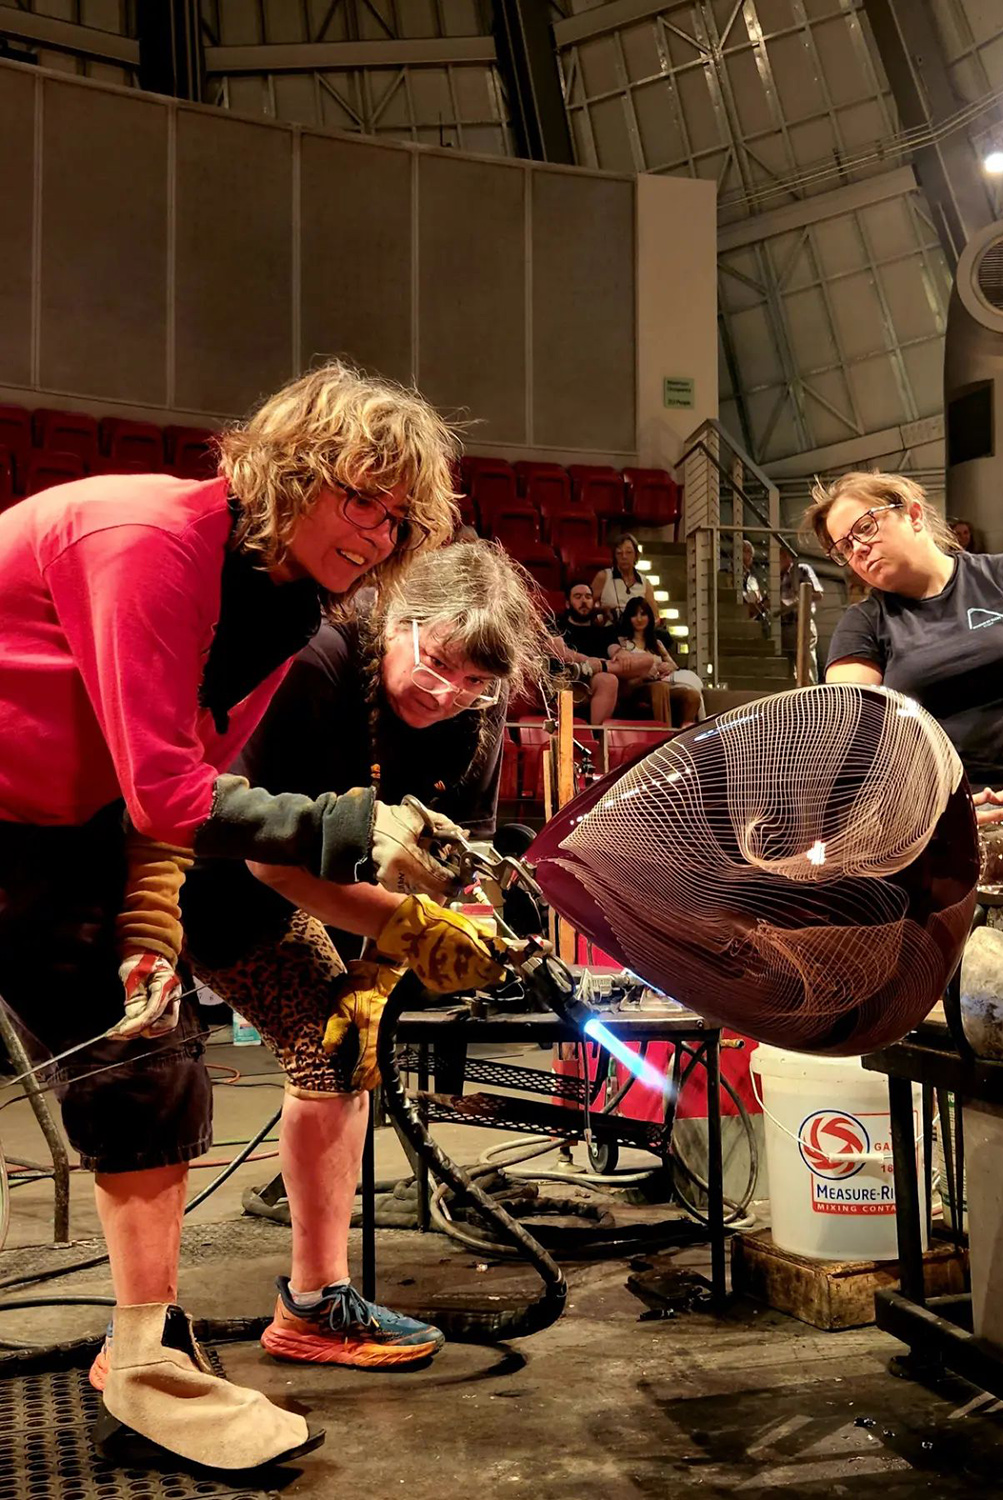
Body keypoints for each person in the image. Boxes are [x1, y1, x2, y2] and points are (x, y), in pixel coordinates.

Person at [0, 361, 497, 1469]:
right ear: (290, 470)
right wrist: (360, 834)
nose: (376, 533)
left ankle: (314, 1303)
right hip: (22, 813)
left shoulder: (286, 599)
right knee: (141, 1062)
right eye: (358, 498)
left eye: (397, 516)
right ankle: (143, 1356)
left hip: (116, 812)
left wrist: (160, 914)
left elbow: (184, 793)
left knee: (315, 1022)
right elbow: (182, 794)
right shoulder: (150, 544)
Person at [168, 542, 544, 1373]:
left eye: (475, 683)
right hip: (209, 877)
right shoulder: (319, 664)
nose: (447, 694)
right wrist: (405, 932)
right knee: (160, 1083)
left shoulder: (476, 717)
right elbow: (261, 852)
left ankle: (313, 1302)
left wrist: (389, 965)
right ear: (400, 622)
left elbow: (456, 867)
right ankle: (191, 1322)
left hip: (347, 898)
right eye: (437, 663)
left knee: (341, 1055)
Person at [808, 471, 1003, 841]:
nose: (857, 550)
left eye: (864, 528)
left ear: (912, 515)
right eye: (844, 548)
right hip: (926, 825)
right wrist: (916, 811)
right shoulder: (861, 623)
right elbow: (857, 728)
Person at [552, 579, 654, 723]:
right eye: (578, 597)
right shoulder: (557, 624)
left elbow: (614, 650)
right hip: (569, 676)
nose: (584, 601)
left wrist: (620, 653)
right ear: (568, 603)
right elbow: (561, 652)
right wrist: (587, 661)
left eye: (588, 597)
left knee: (647, 659)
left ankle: (599, 668)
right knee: (608, 679)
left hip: (599, 674)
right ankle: (597, 735)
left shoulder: (603, 630)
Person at [611, 596, 705, 726]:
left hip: (661, 683)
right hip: (635, 687)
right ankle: (664, 733)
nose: (639, 619)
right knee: (660, 688)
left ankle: (685, 733)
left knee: (691, 695)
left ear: (649, 617)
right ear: (628, 618)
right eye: (634, 615)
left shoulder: (656, 643)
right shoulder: (622, 643)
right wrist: (643, 674)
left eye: (643, 614)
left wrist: (668, 667)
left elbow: (674, 667)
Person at [591, 532, 655, 623]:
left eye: (629, 552)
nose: (624, 557)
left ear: (636, 555)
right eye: (619, 553)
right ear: (614, 556)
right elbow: (588, 607)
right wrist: (602, 611)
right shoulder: (604, 576)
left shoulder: (645, 583)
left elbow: (654, 615)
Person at [781, 554, 825, 684]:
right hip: (784, 625)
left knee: (807, 662)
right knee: (790, 665)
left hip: (802, 621)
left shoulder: (801, 569)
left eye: (780, 556)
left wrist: (799, 600)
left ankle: (811, 695)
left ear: (787, 557)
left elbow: (818, 594)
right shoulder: (776, 576)